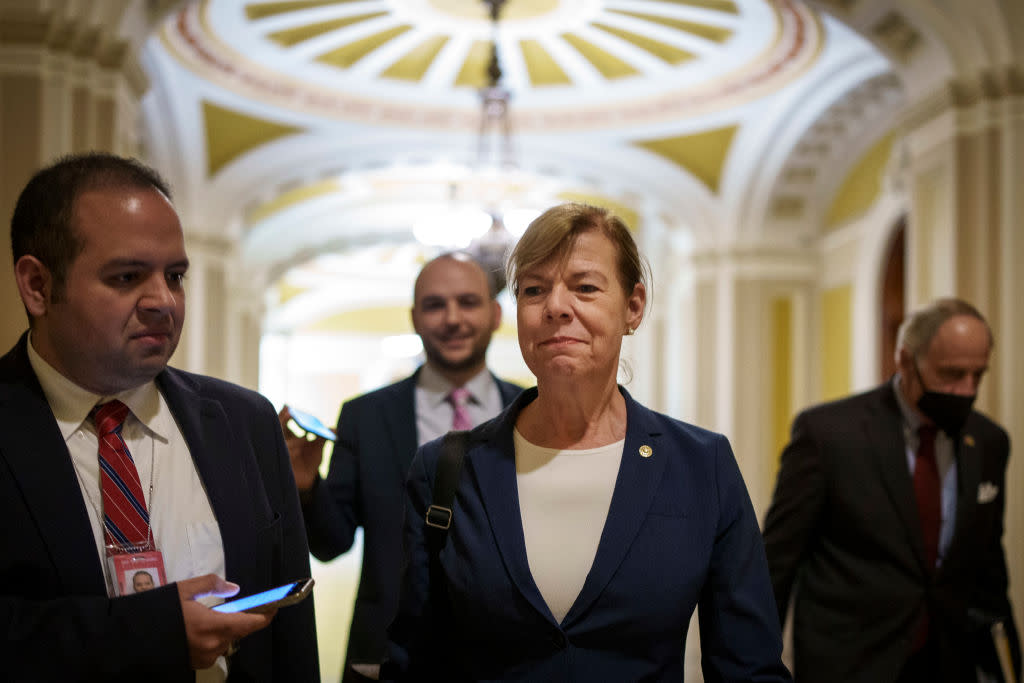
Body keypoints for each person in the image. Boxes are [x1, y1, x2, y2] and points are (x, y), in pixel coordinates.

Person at [383, 203, 791, 681]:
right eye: (534, 290)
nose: (556, 305)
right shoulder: (446, 470)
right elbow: (414, 663)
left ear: (633, 307)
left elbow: (748, 666)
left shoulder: (702, 466)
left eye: (585, 287)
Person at [0, 152, 320, 682]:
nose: (164, 302)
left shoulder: (244, 422)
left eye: (174, 275)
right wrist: (150, 631)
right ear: (38, 286)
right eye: (127, 277)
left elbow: (290, 639)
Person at [282, 252, 521, 681]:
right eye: (434, 305)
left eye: (468, 302)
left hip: (510, 653)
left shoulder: (531, 410)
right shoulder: (366, 416)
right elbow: (331, 542)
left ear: (496, 313)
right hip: (388, 656)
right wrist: (305, 487)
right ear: (414, 317)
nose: (452, 318)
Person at [763, 298, 1022, 682]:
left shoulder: (988, 441)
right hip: (850, 662)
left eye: (977, 376)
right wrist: (757, 667)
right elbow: (777, 564)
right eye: (951, 374)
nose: (966, 391)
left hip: (949, 661)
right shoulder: (828, 435)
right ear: (905, 361)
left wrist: (1007, 664)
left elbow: (987, 564)